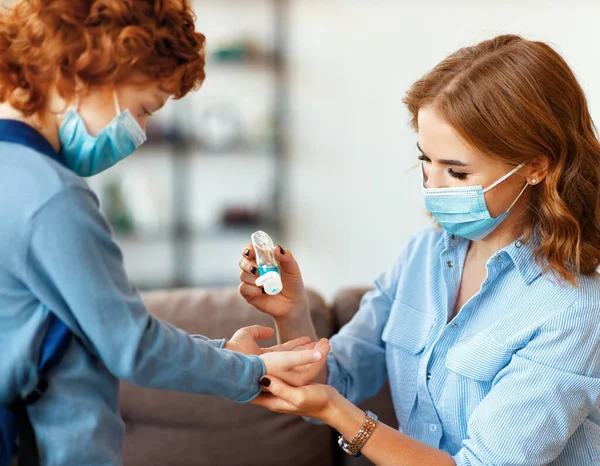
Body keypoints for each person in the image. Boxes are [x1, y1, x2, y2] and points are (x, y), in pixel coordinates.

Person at [239, 34, 600, 465]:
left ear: (537, 166)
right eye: (426, 160)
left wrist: (338, 412)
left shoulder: (573, 310)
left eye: (457, 172)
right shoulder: (423, 256)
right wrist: (291, 312)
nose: (432, 184)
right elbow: (339, 377)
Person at [0, 1, 330, 465]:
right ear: (84, 69)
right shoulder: (53, 198)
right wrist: (249, 371)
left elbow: (105, 324)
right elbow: (132, 345)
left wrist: (226, 353)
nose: (140, 131)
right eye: (143, 109)